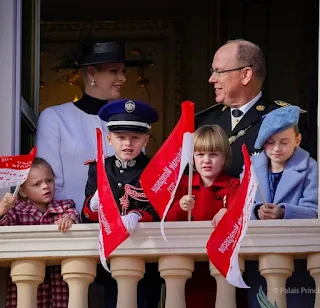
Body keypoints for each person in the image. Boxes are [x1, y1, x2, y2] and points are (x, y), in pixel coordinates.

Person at [36, 40, 149, 212]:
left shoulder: (127, 122)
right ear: (91, 73)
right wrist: (74, 217)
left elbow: (137, 176)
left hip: (122, 224)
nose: (123, 78)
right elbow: (48, 181)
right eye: (114, 71)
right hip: (71, 226)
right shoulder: (54, 117)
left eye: (123, 71)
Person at [81, 98, 161, 308]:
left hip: (146, 253)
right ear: (109, 139)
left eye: (135, 137)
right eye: (121, 137)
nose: (127, 143)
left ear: (145, 140)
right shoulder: (99, 168)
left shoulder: (155, 168)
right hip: (112, 254)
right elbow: (85, 215)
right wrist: (93, 205)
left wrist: (138, 215)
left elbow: (160, 208)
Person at [195, 38, 313, 178]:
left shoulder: (285, 120)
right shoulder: (202, 121)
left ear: (246, 75)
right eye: (212, 71)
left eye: (219, 72)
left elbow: (300, 178)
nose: (212, 79)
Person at [246, 106, 318, 308]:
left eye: (284, 142)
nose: (276, 148)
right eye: (270, 143)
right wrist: (256, 210)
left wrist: (284, 213)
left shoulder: (311, 167)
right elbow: (241, 206)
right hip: (259, 257)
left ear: (298, 140)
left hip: (298, 260)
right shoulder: (251, 167)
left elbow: (314, 210)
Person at [166, 125, 242, 308]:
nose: (206, 160)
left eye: (214, 154)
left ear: (224, 157)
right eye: (200, 155)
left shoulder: (232, 184)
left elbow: (241, 211)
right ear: (192, 158)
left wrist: (227, 212)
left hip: (222, 263)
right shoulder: (184, 184)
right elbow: (167, 220)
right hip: (189, 265)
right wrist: (180, 207)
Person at [0, 157, 80, 308]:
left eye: (49, 180)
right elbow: (3, 223)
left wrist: (69, 220)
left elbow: (73, 215)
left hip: (59, 282)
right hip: (28, 281)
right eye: (37, 184)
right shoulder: (16, 211)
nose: (45, 186)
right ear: (22, 191)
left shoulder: (64, 207)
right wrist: (3, 208)